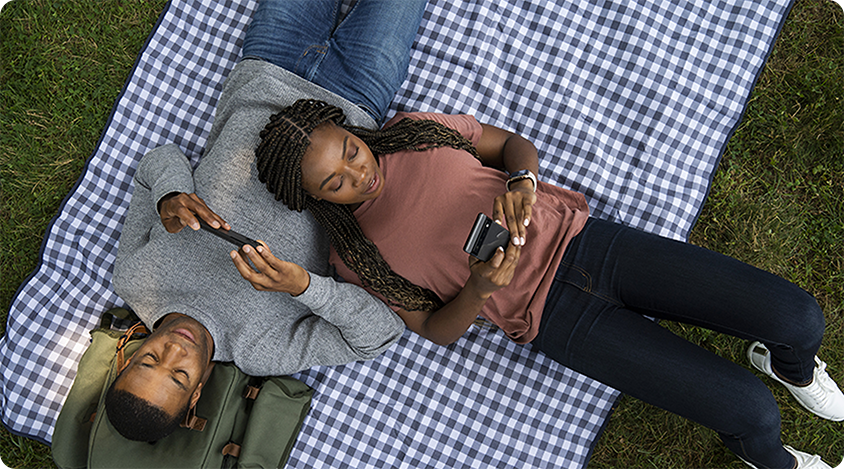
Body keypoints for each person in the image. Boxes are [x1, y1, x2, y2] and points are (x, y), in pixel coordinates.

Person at [250, 102, 844, 468]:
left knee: (799, 318)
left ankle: (787, 364)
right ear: (315, 199)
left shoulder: (413, 130)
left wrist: (524, 181)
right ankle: (770, 460)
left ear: (351, 131)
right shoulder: (352, 255)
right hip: (558, 323)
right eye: (335, 183)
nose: (359, 174)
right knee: (750, 412)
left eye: (351, 152)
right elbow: (434, 329)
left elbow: (509, 145)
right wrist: (478, 290)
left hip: (596, 246)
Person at [107, 0, 430, 442]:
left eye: (150, 360)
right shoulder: (260, 350)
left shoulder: (134, 279)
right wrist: (304, 287)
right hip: (353, 105)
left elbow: (156, 163)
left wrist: (169, 195)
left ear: (129, 356)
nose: (175, 351)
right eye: (179, 376)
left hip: (268, 66)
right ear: (198, 392)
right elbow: (379, 335)